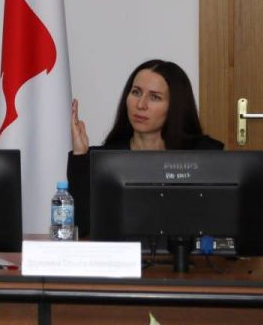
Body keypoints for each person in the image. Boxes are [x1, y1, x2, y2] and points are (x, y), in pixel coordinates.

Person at [68, 59, 223, 236]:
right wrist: (80, 156)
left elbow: (217, 225)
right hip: (122, 253)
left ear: (175, 106)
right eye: (136, 92)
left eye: (154, 97)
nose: (140, 105)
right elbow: (82, 228)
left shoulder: (204, 155)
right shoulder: (104, 159)